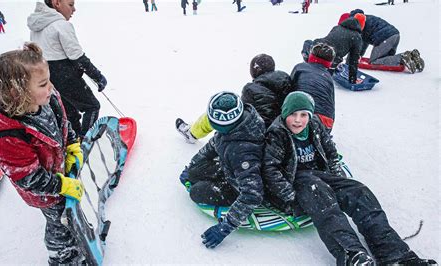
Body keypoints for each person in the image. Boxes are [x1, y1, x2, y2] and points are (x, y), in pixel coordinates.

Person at [262, 91, 438, 265]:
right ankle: (352, 255)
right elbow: (270, 169)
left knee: (359, 192)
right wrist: (289, 197)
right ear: (285, 113)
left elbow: (331, 152)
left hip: (321, 176)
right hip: (296, 181)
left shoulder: (315, 124)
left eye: (303, 114)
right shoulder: (278, 133)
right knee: (325, 204)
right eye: (293, 114)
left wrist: (338, 179)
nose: (298, 120)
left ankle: (395, 255)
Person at [0, 43, 85, 264]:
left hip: (58, 171)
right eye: (42, 84)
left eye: (48, 80)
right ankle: (63, 257)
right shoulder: (9, 136)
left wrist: (73, 144)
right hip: (44, 192)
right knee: (59, 222)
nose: (51, 87)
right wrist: (61, 185)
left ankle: (77, 232)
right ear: (15, 92)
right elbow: (28, 178)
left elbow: (63, 123)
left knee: (69, 213)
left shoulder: (48, 99)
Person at [179, 91, 265, 249]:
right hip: (230, 165)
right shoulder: (236, 124)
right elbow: (215, 143)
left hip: (237, 185)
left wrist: (224, 228)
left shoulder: (243, 153)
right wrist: (193, 165)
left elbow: (253, 194)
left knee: (197, 192)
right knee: (194, 172)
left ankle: (222, 187)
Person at [27, 0, 107, 138]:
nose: (74, 9)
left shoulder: (36, 26)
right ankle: (86, 142)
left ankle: (74, 140)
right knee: (92, 106)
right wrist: (97, 76)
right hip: (65, 75)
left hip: (46, 78)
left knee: (68, 112)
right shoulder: (61, 25)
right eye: (70, 4)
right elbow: (77, 56)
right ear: (57, 3)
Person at [176, 54, 292, 143]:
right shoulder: (285, 78)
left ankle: (192, 134)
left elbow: (243, 113)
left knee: (221, 111)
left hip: (261, 134)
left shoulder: (251, 89)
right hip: (284, 130)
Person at [349, 9, 423, 74]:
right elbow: (364, 42)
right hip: (395, 35)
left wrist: (355, 56)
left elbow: (362, 44)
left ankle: (402, 57)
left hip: (384, 38)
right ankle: (412, 56)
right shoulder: (365, 18)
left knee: (374, 62)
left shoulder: (358, 23)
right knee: (386, 59)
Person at [302, 14, 365, 84]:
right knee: (333, 57)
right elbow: (353, 60)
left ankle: (309, 60)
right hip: (331, 57)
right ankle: (327, 69)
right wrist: (352, 79)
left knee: (308, 42)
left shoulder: (337, 27)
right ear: (361, 26)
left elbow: (330, 42)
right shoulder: (357, 37)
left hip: (317, 49)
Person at [291, 43, 337, 131]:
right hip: (324, 120)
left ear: (311, 56)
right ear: (329, 63)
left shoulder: (300, 67)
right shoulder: (328, 77)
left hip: (300, 115)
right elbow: (331, 104)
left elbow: (288, 89)